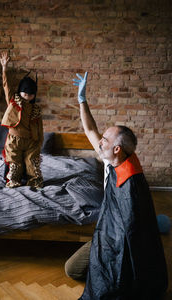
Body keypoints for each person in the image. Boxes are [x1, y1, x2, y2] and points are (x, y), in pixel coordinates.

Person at [65, 72, 168, 300]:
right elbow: (90, 129)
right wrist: (82, 99)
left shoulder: (131, 181)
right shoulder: (109, 158)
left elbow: (130, 234)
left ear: (117, 149)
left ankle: (158, 224)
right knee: (71, 269)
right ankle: (159, 223)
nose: (100, 141)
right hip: (106, 234)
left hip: (122, 240)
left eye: (106, 140)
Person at [0, 52, 44, 189]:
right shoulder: (14, 102)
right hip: (15, 139)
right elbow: (6, 87)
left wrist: (39, 141)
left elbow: (39, 128)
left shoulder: (36, 109)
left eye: (31, 94)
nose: (28, 96)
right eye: (25, 93)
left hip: (31, 140)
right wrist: (4, 68)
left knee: (33, 162)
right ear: (20, 92)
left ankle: (34, 181)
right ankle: (13, 180)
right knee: (14, 163)